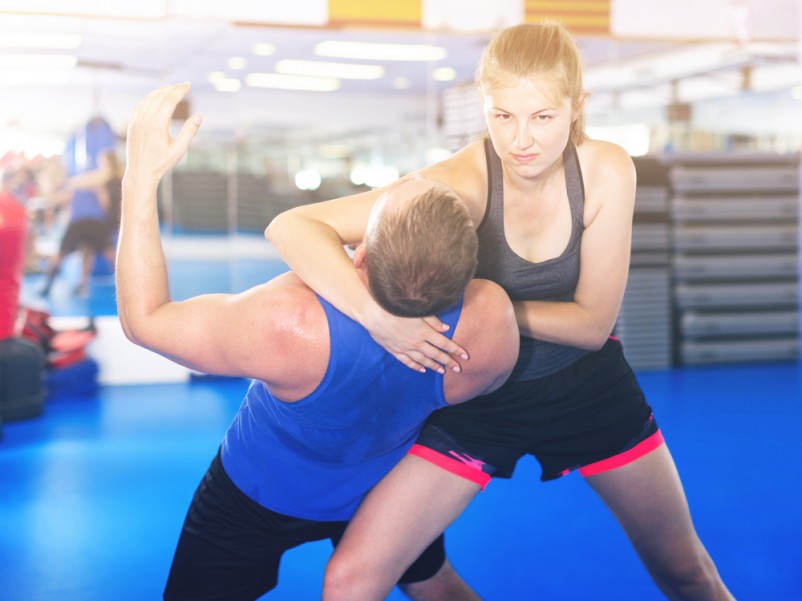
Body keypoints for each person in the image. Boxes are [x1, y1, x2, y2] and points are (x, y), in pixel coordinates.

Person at [266, 22, 735, 601]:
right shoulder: (459, 183)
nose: (521, 141)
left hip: (589, 392)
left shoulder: (606, 170)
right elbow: (292, 225)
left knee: (687, 572)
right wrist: (377, 316)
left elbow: (590, 326)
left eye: (541, 116)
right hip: (477, 395)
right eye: (502, 116)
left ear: (577, 107)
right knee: (349, 581)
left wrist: (483, 312)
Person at [117, 82, 520, 601]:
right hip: (378, 492)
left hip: (253, 492)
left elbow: (143, 320)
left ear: (358, 256)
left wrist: (139, 181)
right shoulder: (489, 323)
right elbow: (483, 389)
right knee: (436, 588)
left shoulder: (288, 320)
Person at [40, 146, 122, 297]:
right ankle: (82, 284)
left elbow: (72, 189)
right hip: (96, 223)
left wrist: (65, 182)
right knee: (91, 251)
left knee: (65, 253)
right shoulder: (106, 179)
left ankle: (48, 284)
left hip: (89, 223)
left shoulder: (102, 177)